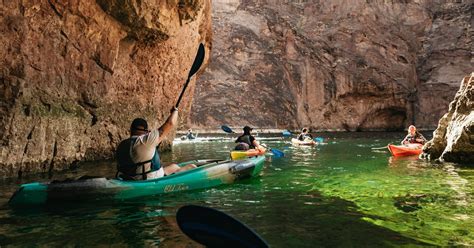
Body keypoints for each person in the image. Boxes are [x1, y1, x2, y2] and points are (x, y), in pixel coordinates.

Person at [116, 108, 196, 180]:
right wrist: (175, 111)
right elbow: (170, 123)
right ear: (146, 131)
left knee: (174, 166)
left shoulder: (121, 145)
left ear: (131, 130)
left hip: (130, 177)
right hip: (148, 179)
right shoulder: (146, 141)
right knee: (192, 167)